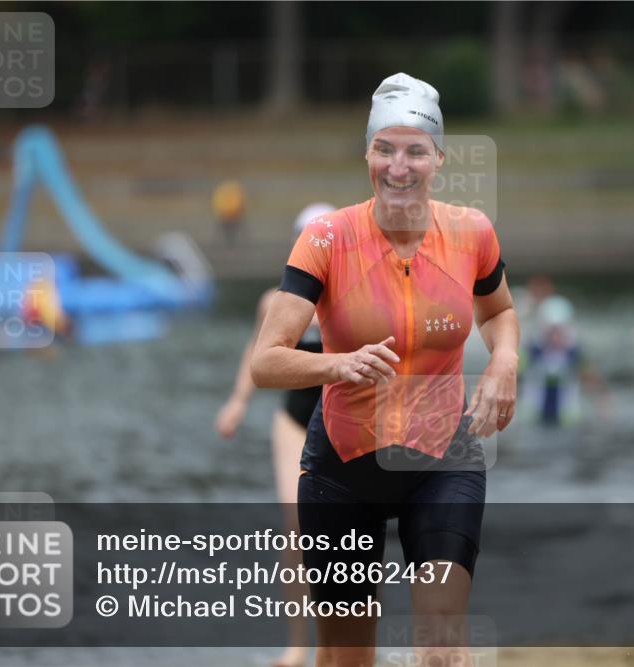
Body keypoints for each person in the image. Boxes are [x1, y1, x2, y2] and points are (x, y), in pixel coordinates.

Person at [250, 73, 519, 667]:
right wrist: (337, 363)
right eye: (385, 149)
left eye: (415, 151)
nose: (399, 166)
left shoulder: (471, 232)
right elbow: (265, 364)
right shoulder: (325, 238)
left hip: (442, 457)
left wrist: (503, 359)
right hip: (343, 468)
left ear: (438, 159)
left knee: (442, 645)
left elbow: (498, 312)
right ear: (367, 155)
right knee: (348, 658)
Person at [215, 202, 334, 667]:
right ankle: (296, 645)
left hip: (344, 422)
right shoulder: (276, 301)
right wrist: (237, 402)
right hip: (293, 423)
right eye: (307, 239)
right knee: (296, 530)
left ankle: (336, 638)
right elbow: (256, 353)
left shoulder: (353, 299)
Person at [521, 295, 609, 427]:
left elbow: (592, 382)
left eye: (559, 329)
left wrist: (603, 406)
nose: (555, 335)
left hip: (567, 419)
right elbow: (513, 380)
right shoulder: (531, 351)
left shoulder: (575, 352)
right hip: (534, 418)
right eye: (551, 330)